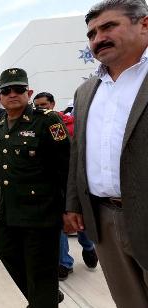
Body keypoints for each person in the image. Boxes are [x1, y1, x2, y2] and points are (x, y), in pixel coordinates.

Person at [64, 1, 148, 307]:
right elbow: (78, 152)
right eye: (92, 33)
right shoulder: (86, 92)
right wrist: (73, 203)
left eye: (109, 26)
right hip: (103, 220)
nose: (98, 38)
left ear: (144, 24)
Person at [0, 68, 70, 308]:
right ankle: (43, 297)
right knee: (6, 253)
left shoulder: (47, 120)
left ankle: (42, 299)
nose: (12, 94)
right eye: (7, 90)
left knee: (41, 270)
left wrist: (69, 208)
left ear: (29, 92)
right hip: (10, 209)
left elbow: (66, 166)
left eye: (19, 89)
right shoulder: (1, 123)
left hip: (41, 212)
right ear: (0, 97)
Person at [33, 92, 98, 280]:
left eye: (44, 104)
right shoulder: (35, 125)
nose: (40, 108)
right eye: (37, 105)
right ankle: (64, 262)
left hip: (70, 181)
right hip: (49, 184)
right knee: (58, 225)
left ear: (53, 104)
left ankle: (88, 246)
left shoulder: (62, 123)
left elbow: (69, 154)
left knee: (77, 220)